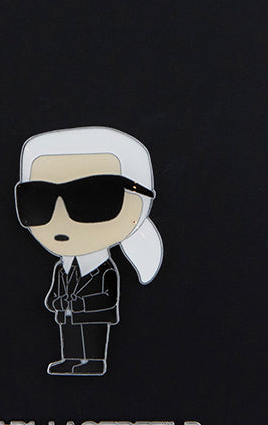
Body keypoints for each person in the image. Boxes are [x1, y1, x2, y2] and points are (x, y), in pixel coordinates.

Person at [14, 126, 163, 375]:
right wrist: (55, 301)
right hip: (68, 315)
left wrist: (81, 303)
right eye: (39, 199)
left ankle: (94, 361)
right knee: (70, 336)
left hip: (93, 316)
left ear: (139, 201)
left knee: (93, 336)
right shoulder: (62, 268)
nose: (61, 217)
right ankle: (71, 358)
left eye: (94, 199)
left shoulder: (105, 270)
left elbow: (108, 297)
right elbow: (53, 293)